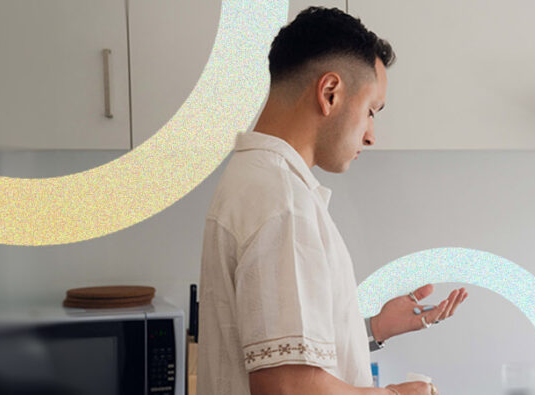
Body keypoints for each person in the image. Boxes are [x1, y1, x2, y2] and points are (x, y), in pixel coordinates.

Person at [198, 7, 468, 395]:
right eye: (371, 111)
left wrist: (371, 330)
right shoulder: (282, 202)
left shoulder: (257, 182)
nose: (372, 135)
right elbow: (286, 386)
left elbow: (280, 356)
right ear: (330, 93)